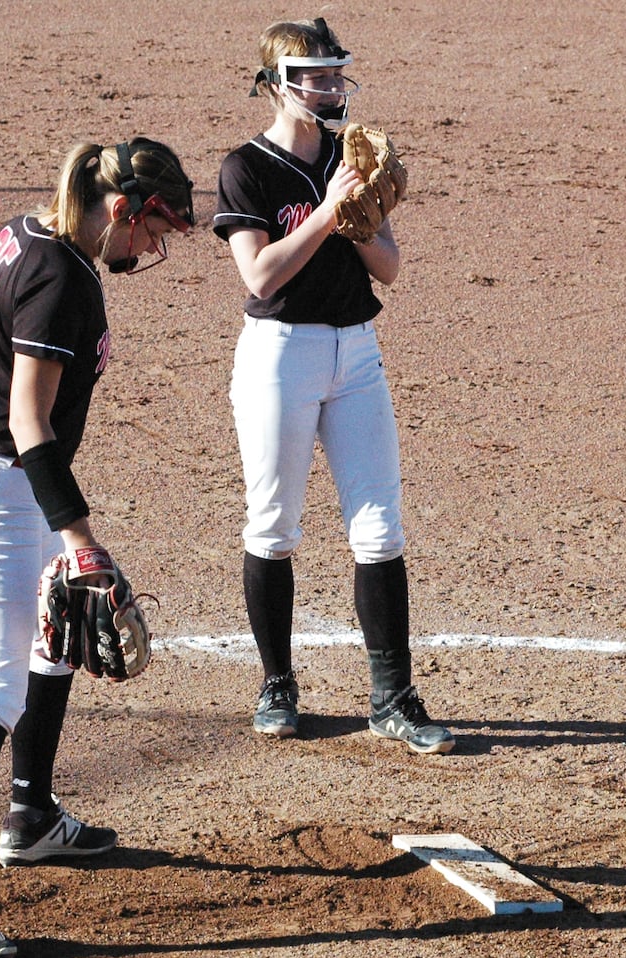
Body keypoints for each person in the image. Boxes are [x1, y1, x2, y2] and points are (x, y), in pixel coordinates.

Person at [0, 139, 195, 958]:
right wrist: (80, 537)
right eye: (153, 230)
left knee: (53, 642)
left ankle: (30, 817)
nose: (153, 249)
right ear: (120, 210)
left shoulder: (26, 233)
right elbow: (32, 422)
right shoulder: (64, 277)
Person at [212, 17, 454, 754]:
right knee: (274, 526)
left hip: (356, 351)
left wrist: (362, 218)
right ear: (276, 85)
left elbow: (389, 268)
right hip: (280, 355)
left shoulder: (351, 156)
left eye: (333, 74)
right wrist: (326, 211)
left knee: (379, 531)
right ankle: (277, 683)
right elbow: (258, 274)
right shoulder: (245, 168)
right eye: (312, 76)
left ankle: (393, 696)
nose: (327, 87)